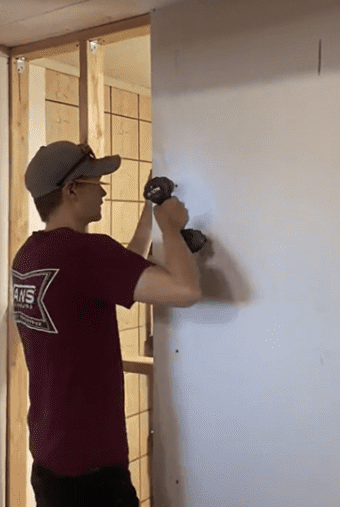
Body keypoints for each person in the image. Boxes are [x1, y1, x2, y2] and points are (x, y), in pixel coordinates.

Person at [11, 140, 201, 507]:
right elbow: (186, 289)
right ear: (71, 190)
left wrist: (150, 207)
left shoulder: (30, 255)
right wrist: (171, 228)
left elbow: (123, 265)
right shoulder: (86, 253)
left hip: (50, 457)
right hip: (92, 471)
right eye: (95, 181)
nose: (102, 190)